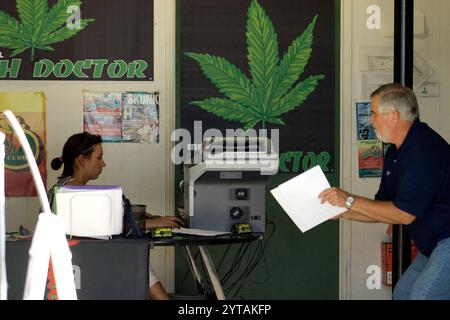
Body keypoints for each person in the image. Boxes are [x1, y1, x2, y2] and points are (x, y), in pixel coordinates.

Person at [318, 83, 450, 300]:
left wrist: (348, 200)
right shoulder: (393, 152)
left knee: (421, 297)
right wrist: (340, 211)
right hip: (432, 243)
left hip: (446, 239)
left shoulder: (424, 151)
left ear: (394, 115)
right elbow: (382, 208)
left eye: (374, 114)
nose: (371, 120)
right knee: (402, 294)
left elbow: (403, 215)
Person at [48, 132, 184, 300]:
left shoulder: (63, 187)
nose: (103, 163)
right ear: (82, 160)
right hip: (81, 261)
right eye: (99, 158)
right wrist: (153, 222)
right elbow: (108, 225)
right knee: (134, 259)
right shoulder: (75, 191)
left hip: (78, 257)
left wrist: (137, 217)